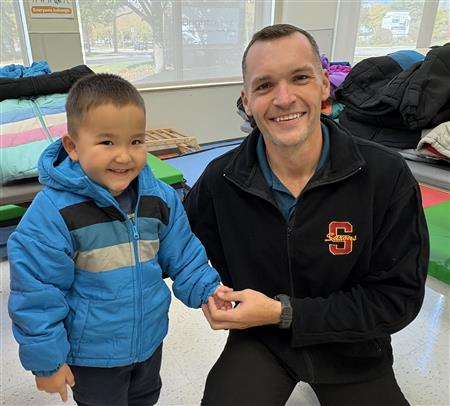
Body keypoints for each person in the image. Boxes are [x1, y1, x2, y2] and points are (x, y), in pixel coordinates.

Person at [184, 24, 429, 406]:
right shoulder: (221, 180)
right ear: (247, 101)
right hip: (263, 340)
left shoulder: (385, 176)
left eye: (300, 78)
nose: (284, 98)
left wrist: (284, 312)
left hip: (354, 346)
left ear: (324, 86)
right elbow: (173, 244)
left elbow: (398, 298)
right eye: (264, 85)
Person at [8, 73, 231, 406]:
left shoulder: (160, 199)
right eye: (107, 142)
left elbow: (184, 255)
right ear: (72, 147)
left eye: (136, 141)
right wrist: (47, 361)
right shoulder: (53, 213)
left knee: (146, 397)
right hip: (92, 355)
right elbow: (36, 293)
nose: (124, 156)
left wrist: (207, 290)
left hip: (149, 340)